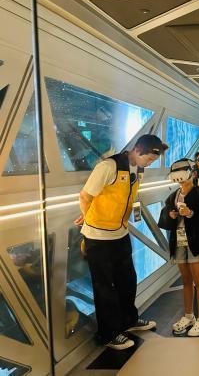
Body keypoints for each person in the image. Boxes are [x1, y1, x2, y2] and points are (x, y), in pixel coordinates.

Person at [74, 134, 167, 350]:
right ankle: (108, 334)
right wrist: (88, 219)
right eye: (149, 159)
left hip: (120, 234)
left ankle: (128, 321)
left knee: (128, 280)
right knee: (104, 287)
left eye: (153, 161)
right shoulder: (109, 167)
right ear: (137, 150)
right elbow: (85, 196)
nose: (149, 163)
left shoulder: (137, 169)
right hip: (98, 238)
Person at [158, 159, 199, 337]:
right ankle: (189, 315)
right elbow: (165, 217)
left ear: (193, 173)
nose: (181, 180)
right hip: (179, 241)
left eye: (183, 175)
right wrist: (171, 215)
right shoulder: (173, 196)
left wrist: (190, 214)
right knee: (185, 280)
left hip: (195, 242)